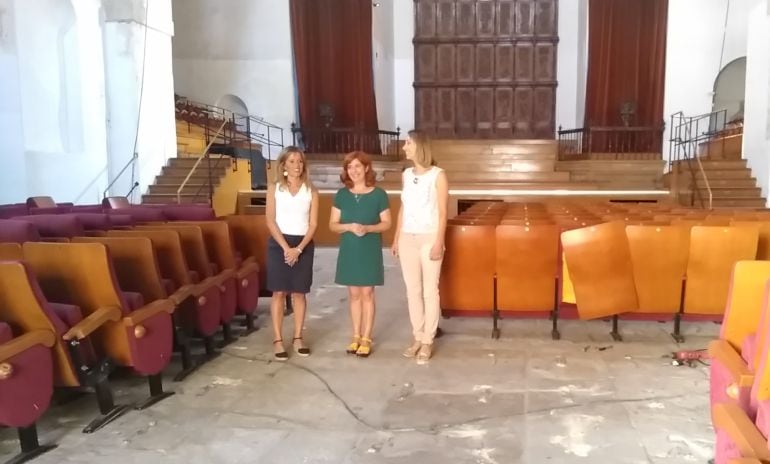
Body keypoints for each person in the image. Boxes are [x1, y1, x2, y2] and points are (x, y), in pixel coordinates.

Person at [392, 130, 449, 365]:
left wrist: (439, 241)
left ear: (419, 146)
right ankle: (417, 335)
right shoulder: (406, 174)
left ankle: (428, 340)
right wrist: (396, 238)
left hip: (429, 237)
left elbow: (444, 212)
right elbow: (403, 208)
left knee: (429, 291)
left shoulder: (438, 175)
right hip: (408, 237)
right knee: (412, 290)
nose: (404, 147)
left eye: (408, 143)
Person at [329, 151, 391, 357]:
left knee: (367, 293)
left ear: (366, 168)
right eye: (349, 167)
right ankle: (355, 335)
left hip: (369, 248)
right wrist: (348, 226)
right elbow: (333, 225)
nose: (353, 171)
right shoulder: (341, 195)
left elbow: (387, 223)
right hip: (349, 249)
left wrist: (368, 228)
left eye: (357, 166)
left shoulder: (379, 194)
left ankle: (366, 337)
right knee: (354, 294)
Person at [265, 146, 319, 360]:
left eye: (300, 161)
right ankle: (278, 340)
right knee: (278, 292)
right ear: (284, 165)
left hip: (302, 244)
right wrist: (287, 248)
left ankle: (298, 337)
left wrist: (298, 249)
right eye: (292, 161)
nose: (297, 165)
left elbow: (313, 224)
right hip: (279, 243)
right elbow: (270, 219)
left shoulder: (311, 191)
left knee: (299, 292)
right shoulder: (274, 188)